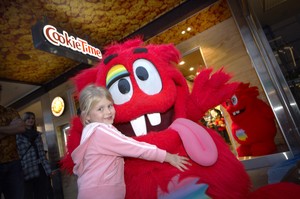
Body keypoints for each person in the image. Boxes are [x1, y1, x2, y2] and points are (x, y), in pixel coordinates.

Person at [71, 84, 191, 199]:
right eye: (100, 109)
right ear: (87, 116)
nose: (108, 112)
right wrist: (167, 156)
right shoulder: (101, 132)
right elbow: (135, 148)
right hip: (102, 193)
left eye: (110, 106)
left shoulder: (91, 132)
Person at [16, 112, 52, 199]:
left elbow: (42, 153)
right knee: (28, 194)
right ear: (23, 120)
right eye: (28, 118)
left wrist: (47, 168)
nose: (31, 120)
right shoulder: (18, 136)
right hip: (27, 168)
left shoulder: (38, 135)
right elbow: (18, 153)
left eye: (32, 118)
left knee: (42, 193)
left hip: (41, 167)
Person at [0, 105, 25, 199]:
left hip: (13, 163)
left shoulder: (9, 111)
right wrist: (10, 127)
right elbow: (16, 128)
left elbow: (21, 127)